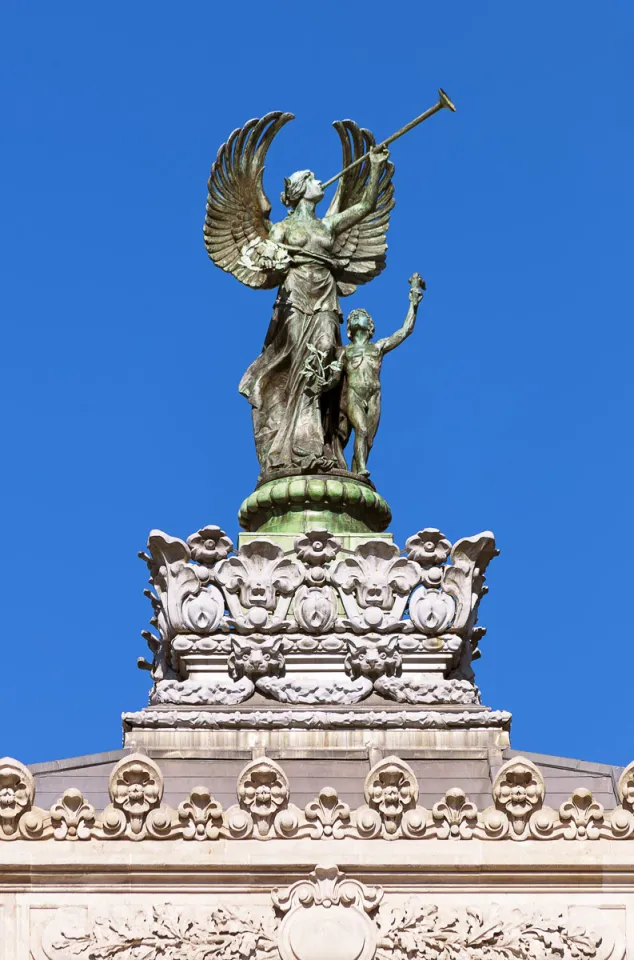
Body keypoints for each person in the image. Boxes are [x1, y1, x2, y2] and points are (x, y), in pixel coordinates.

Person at [238, 147, 390, 476]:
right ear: (300, 189)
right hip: (294, 295)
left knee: (322, 354)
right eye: (312, 179)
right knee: (295, 358)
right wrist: (268, 259)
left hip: (325, 295)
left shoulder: (328, 226)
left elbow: (365, 206)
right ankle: (290, 440)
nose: (319, 181)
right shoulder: (280, 229)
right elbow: (263, 259)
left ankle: (317, 439)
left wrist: (375, 167)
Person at [337, 274, 425, 477]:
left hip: (374, 395)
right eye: (354, 316)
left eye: (362, 315)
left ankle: (356, 472)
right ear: (349, 329)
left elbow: (405, 331)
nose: (357, 315)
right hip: (354, 394)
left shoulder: (378, 347)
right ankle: (362, 470)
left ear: (370, 326)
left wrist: (413, 303)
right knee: (361, 430)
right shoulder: (344, 352)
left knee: (368, 440)